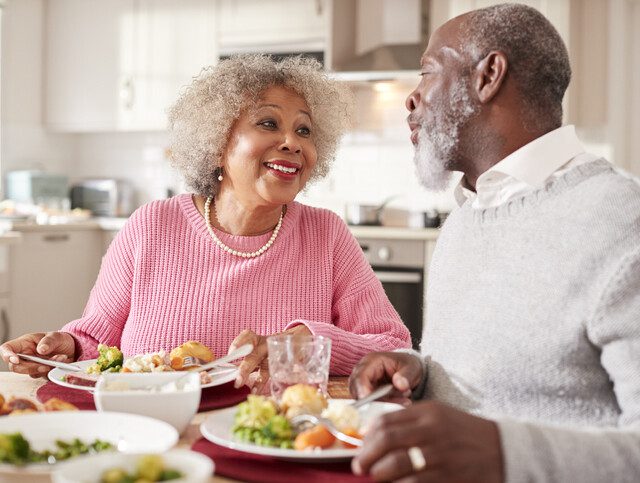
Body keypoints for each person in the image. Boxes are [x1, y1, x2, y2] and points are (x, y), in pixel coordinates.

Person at [348, 3, 640, 482]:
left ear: (488, 75)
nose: (412, 98)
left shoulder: (622, 221)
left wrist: (505, 454)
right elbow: (497, 377)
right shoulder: (469, 213)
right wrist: (419, 374)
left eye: (426, 72)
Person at [0, 54, 411, 390]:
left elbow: (395, 347)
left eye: (304, 130)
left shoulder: (326, 235)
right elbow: (96, 340)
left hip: (270, 441)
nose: (292, 142)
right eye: (269, 123)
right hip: (156, 434)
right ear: (217, 145)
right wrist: (63, 347)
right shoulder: (151, 225)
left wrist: (306, 341)